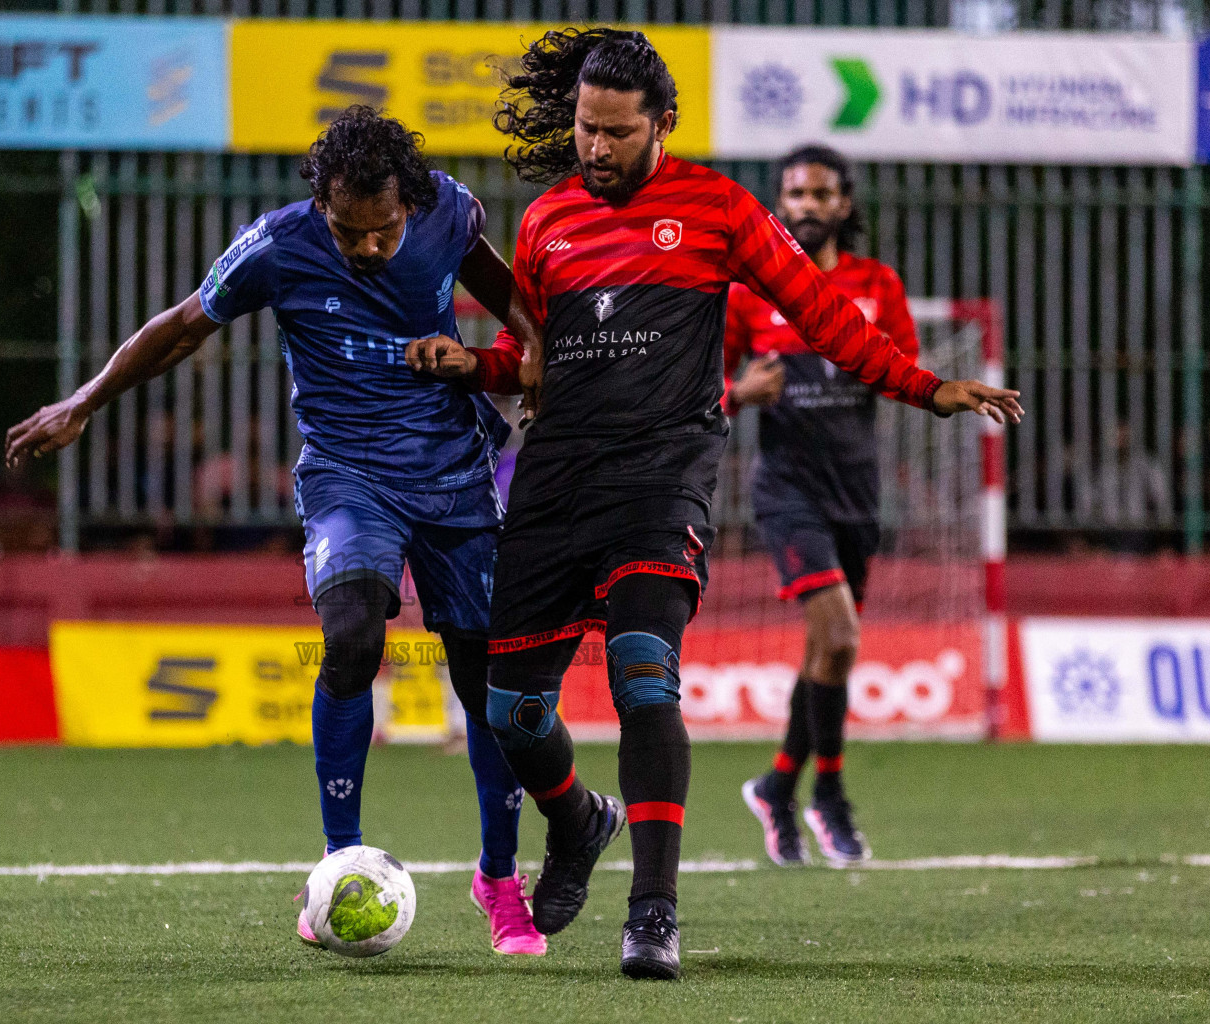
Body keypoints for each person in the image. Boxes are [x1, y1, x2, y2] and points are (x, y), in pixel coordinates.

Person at [415, 28, 1021, 979]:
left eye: (617, 132)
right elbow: (532, 360)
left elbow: (820, 314)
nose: (596, 148)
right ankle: (577, 823)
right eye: (584, 129)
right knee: (510, 709)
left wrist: (926, 385)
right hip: (556, 477)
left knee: (644, 674)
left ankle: (653, 913)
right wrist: (471, 366)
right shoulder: (544, 223)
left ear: (664, 123)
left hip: (662, 476)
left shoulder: (718, 206)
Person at [4, 107, 549, 955]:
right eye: (347, 230)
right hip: (347, 476)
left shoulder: (449, 209)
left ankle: (500, 879)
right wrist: (85, 400)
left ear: (408, 201)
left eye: (382, 230)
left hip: (452, 474)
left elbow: (511, 297)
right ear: (321, 202)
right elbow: (182, 326)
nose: (365, 247)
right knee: (354, 633)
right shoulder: (276, 245)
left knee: (487, 685)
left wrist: (537, 356)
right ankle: (338, 865)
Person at [722, 144, 924, 869]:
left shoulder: (877, 284)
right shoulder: (750, 292)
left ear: (844, 204)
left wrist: (883, 369)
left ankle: (778, 785)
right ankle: (828, 795)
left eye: (821, 193)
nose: (807, 205)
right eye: (795, 194)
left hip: (856, 492)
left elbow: (905, 374)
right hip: (787, 490)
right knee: (838, 638)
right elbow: (701, 392)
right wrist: (738, 394)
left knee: (824, 653)